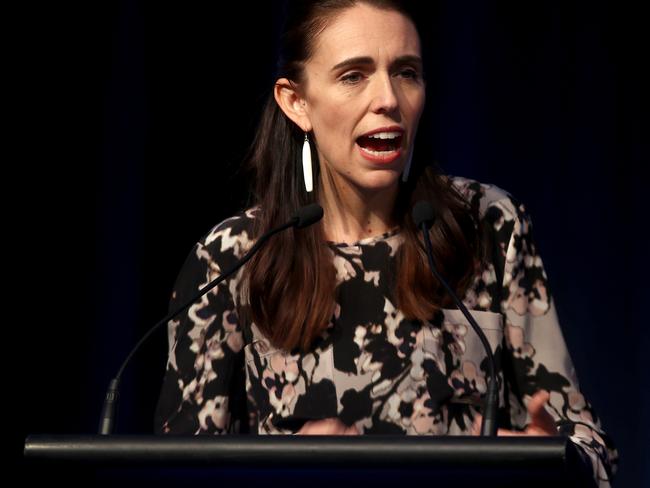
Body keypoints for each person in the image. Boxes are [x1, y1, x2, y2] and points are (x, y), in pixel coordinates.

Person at [154, 0, 617, 485]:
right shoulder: (233, 256)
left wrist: (555, 460)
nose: (389, 100)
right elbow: (177, 474)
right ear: (297, 102)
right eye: (354, 75)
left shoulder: (487, 226)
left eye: (406, 73)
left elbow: (591, 448)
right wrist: (280, 467)